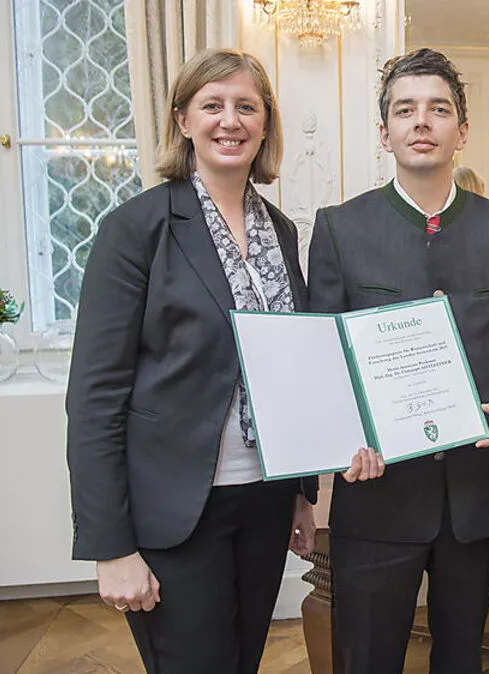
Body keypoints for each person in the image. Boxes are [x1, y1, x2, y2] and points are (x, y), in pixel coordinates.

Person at [65, 48, 381, 674]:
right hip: (177, 511)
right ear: (183, 120)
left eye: (247, 107)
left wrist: (299, 492)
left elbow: (290, 370)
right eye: (212, 106)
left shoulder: (283, 232)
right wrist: (111, 547)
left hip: (262, 501)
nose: (229, 120)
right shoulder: (136, 229)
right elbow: (95, 396)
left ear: (266, 124)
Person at [307, 47, 489, 673]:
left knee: (462, 658)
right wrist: (341, 437)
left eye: (438, 110)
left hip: (478, 494)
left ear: (461, 131)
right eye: (405, 110)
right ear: (384, 132)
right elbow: (322, 358)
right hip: (378, 495)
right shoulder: (339, 229)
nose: (422, 122)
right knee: (367, 658)